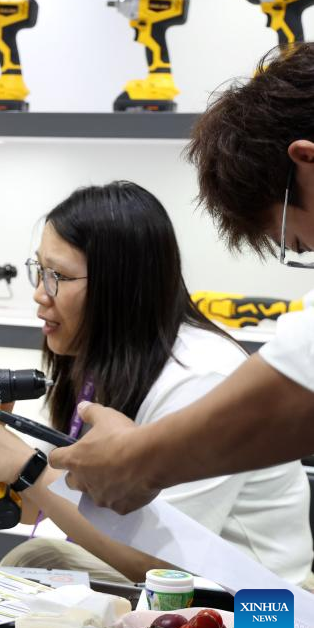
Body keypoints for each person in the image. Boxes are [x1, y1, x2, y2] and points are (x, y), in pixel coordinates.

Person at [0, 181, 314, 587]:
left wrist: (24, 467)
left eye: (57, 275)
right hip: (167, 589)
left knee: (34, 561)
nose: (40, 293)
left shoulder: (202, 375)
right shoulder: (101, 364)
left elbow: (165, 565)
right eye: (38, 271)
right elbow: (37, 508)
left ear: (121, 285)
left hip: (257, 604)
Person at [48, 44, 314, 515]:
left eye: (301, 244)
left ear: (306, 161)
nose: (41, 293)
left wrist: (131, 460)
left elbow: (297, 382)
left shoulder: (202, 372)